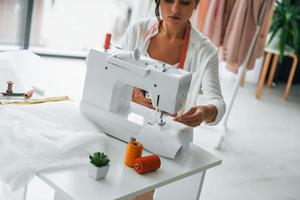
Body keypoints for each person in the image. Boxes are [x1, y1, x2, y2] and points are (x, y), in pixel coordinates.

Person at [120, 0, 226, 199]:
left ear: (196, 4)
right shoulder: (138, 31)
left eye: (185, 2)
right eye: (169, 0)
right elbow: (113, 65)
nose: (175, 9)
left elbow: (217, 101)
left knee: (141, 190)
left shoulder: (205, 51)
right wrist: (131, 90)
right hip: (125, 123)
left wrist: (205, 111)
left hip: (168, 137)